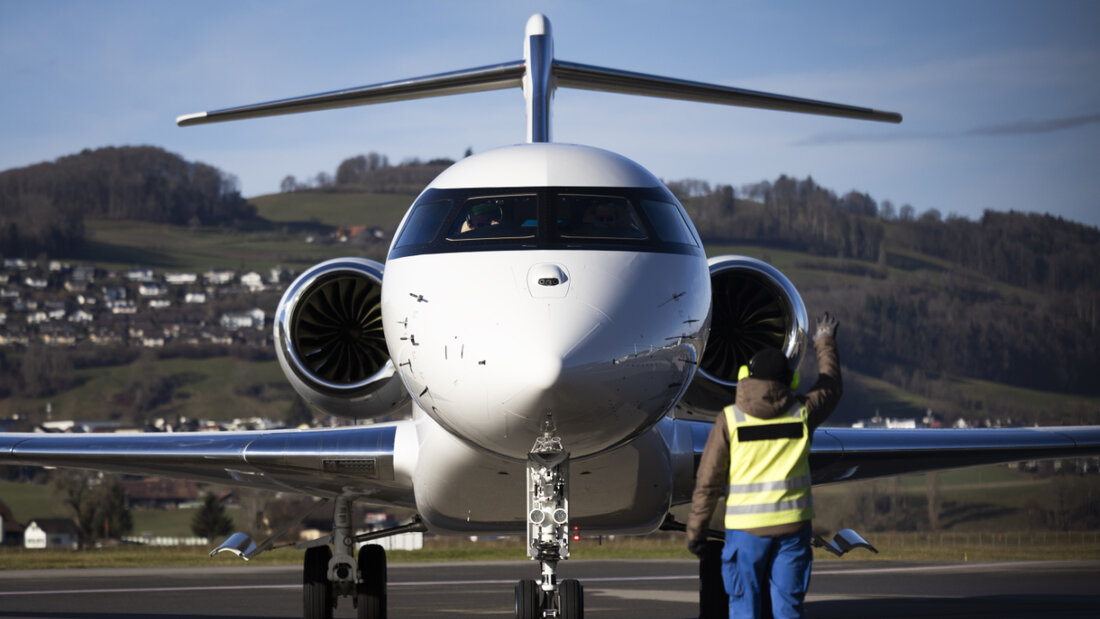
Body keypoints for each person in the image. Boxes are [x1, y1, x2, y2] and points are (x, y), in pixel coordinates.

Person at [686, 312, 842, 619]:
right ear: (791, 381)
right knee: (787, 609)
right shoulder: (802, 413)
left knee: (745, 609)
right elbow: (831, 387)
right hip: (792, 530)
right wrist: (825, 342)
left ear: (746, 376)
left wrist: (696, 531)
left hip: (745, 533)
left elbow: (708, 481)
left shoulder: (730, 420)